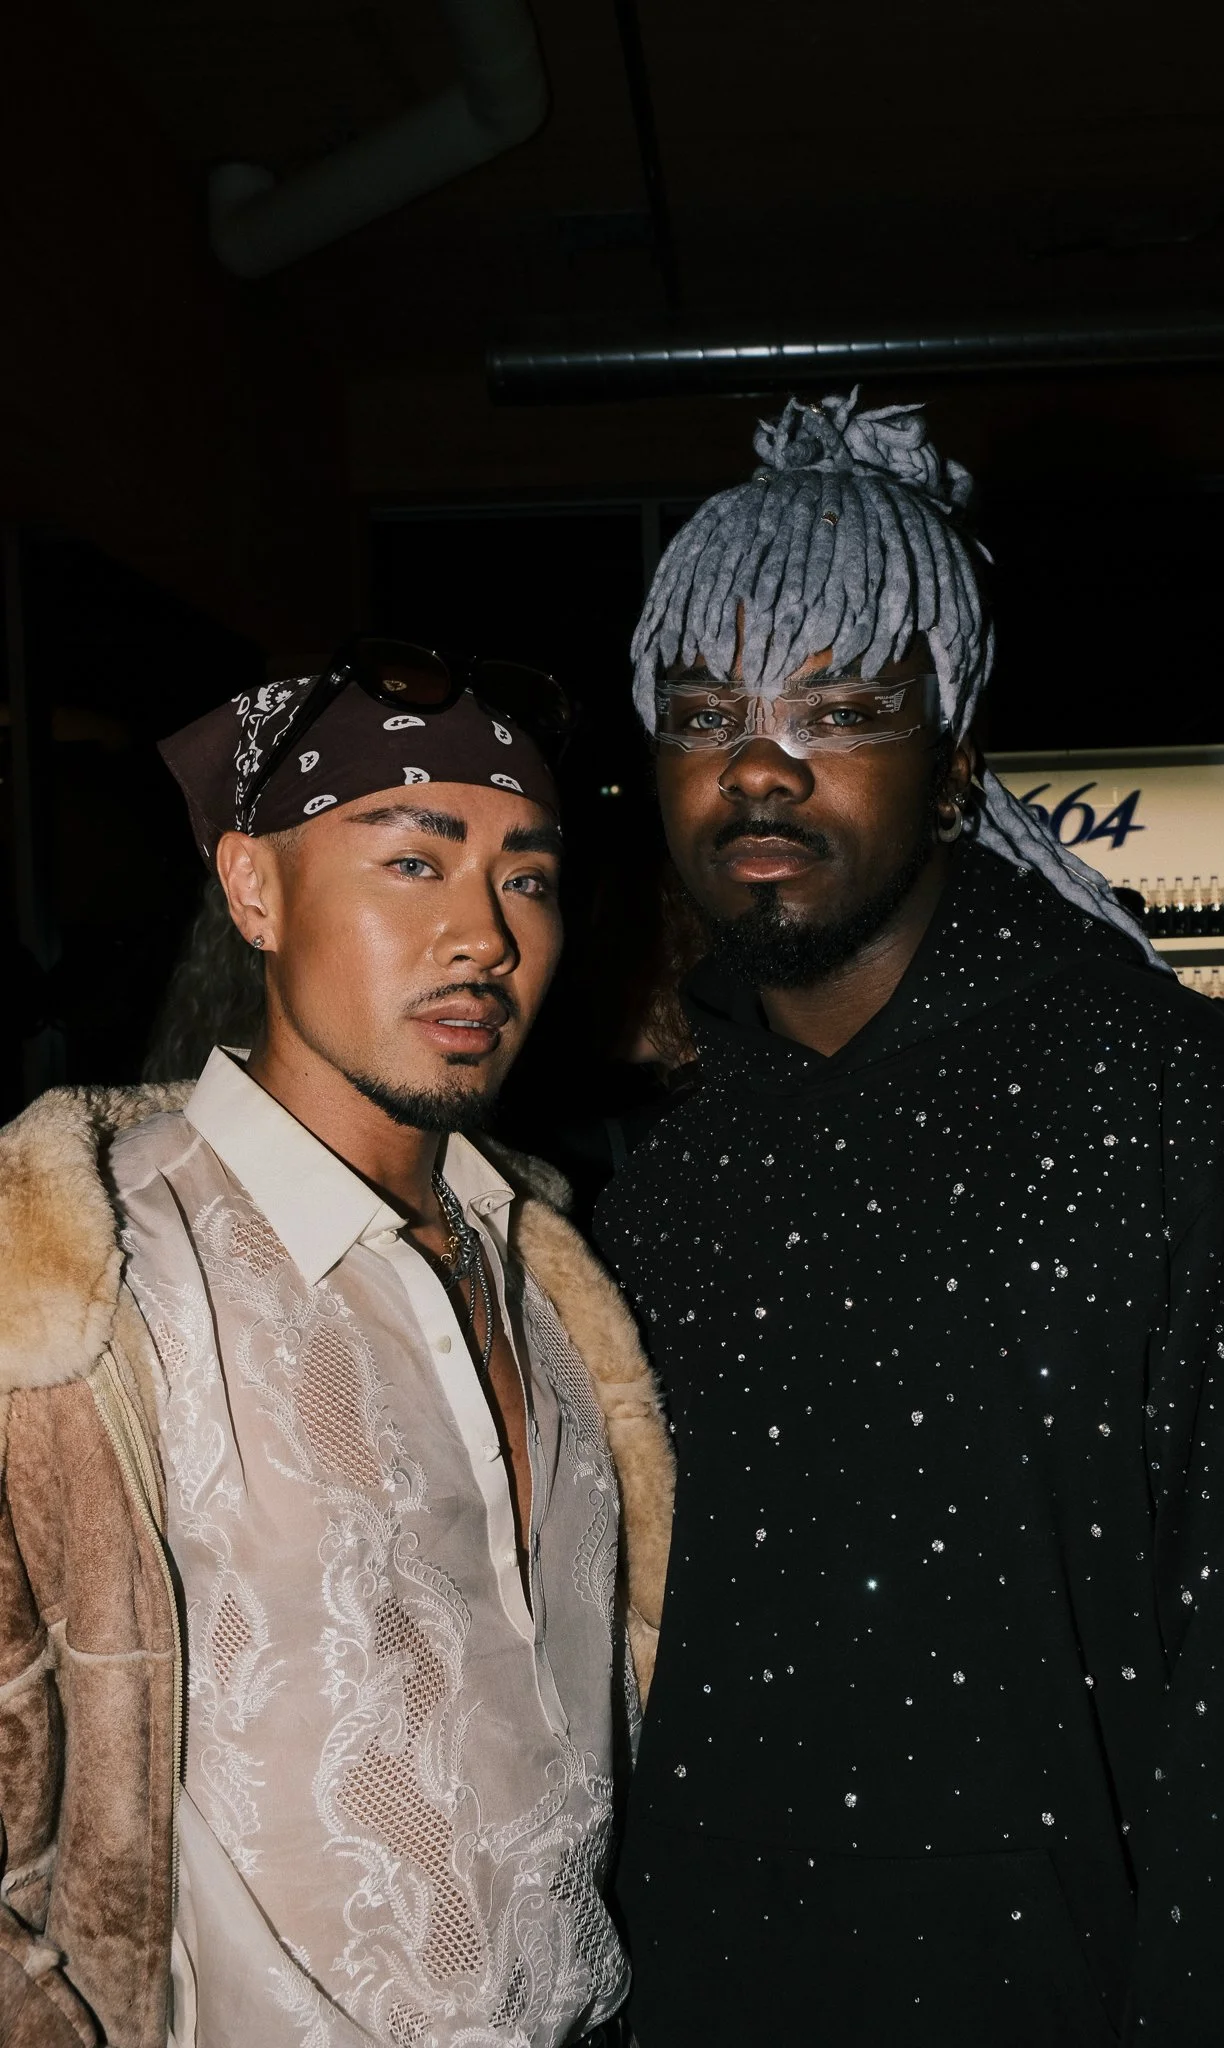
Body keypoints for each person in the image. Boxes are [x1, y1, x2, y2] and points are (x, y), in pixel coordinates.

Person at [594, 394, 1224, 2046]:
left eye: (840, 705)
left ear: (954, 767)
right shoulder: (644, 1174)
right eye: (705, 710)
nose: (755, 764)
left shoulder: (1163, 1102)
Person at [0, 639, 673, 2048]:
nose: (484, 934)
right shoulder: (80, 1286)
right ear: (254, 888)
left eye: (527, 877)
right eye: (414, 861)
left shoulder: (558, 1278)